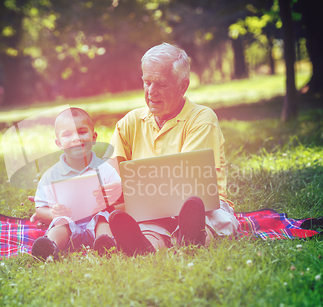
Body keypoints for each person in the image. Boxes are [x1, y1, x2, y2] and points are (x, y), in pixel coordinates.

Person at [100, 43, 239, 255]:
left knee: (211, 218)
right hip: (150, 210)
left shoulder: (202, 118)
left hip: (202, 206)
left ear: (183, 86)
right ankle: (145, 246)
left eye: (161, 84)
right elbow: (111, 174)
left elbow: (186, 182)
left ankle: (195, 237)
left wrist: (130, 191)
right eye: (146, 82)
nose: (151, 92)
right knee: (148, 227)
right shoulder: (129, 122)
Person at [31, 107, 121, 259]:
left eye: (82, 132)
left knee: (103, 220)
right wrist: (52, 214)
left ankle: (106, 245)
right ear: (59, 143)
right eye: (67, 134)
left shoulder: (105, 170)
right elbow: (40, 209)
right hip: (68, 227)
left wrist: (109, 203)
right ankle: (50, 247)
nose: (76, 138)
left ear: (94, 137)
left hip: (97, 225)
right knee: (61, 224)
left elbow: (121, 202)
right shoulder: (50, 176)